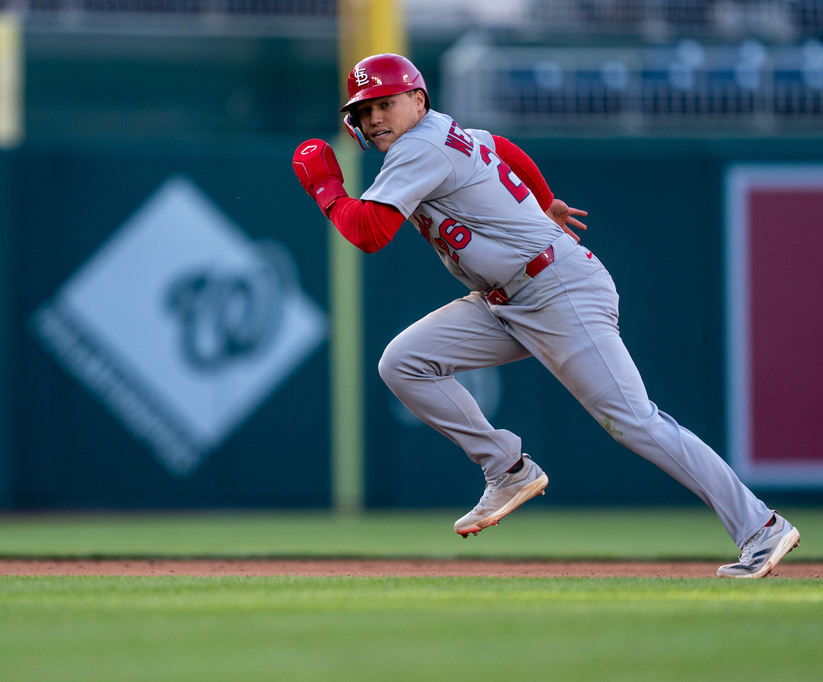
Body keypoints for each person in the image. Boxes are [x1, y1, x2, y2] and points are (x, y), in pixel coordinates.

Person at [291, 53, 800, 578]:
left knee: (634, 421)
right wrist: (542, 198)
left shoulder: (418, 146)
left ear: (418, 99)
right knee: (405, 362)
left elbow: (369, 233)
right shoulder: (447, 134)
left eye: (386, 103)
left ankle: (761, 527)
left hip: (556, 289)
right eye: (365, 108)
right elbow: (500, 146)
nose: (375, 118)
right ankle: (506, 469)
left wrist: (326, 187)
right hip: (507, 298)